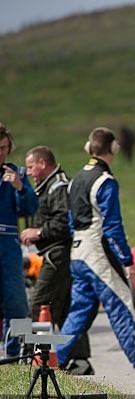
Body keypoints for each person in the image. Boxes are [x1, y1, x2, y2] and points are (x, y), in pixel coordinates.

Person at [57, 127, 135, 374]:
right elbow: (112, 226)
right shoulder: (105, 181)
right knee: (122, 304)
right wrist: (127, 260)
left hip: (77, 252)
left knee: (78, 312)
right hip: (97, 253)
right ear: (113, 149)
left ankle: (53, 360)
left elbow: (70, 221)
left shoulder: (75, 179)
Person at [19, 146, 93, 373]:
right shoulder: (47, 187)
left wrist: (38, 233)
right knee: (63, 309)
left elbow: (64, 223)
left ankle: (30, 358)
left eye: (31, 166)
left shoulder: (58, 187)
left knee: (36, 304)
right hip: (55, 254)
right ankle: (79, 361)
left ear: (43, 163)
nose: (30, 172)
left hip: (58, 254)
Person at [0, 123, 39, 358]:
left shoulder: (17, 174)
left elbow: (31, 208)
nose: (1, 153)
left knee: (17, 305)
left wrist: (20, 187)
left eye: (4, 147)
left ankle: (16, 355)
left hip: (8, 246)